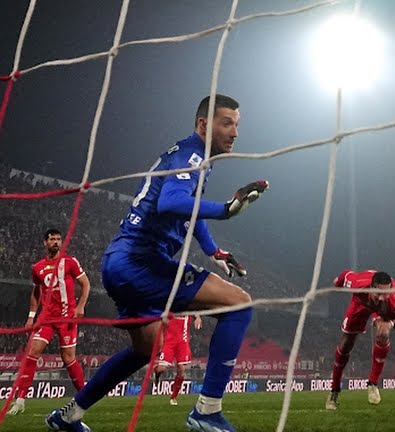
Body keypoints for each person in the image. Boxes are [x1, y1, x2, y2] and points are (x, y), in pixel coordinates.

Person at [46, 94, 269, 432]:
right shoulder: (192, 156)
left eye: (237, 124)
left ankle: (67, 416)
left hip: (119, 263)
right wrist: (225, 210)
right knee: (239, 305)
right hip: (142, 262)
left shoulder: (190, 157)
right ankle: (207, 411)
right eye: (227, 123)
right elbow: (171, 202)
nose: (235, 132)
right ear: (203, 124)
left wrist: (214, 252)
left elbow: (188, 211)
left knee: (145, 349)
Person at [9, 228, 91, 416]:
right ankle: (20, 401)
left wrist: (80, 307)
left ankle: (85, 396)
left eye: (58, 239)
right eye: (52, 239)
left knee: (68, 358)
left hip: (67, 317)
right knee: (32, 352)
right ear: (45, 243)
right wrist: (31, 316)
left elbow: (85, 284)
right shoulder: (37, 267)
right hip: (46, 319)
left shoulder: (70, 262)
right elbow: (36, 292)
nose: (56, 242)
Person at [325, 270, 395, 410]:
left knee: (383, 333)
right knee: (346, 345)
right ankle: (334, 390)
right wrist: (338, 283)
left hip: (382, 311)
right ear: (371, 288)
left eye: (386, 293)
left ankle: (372, 383)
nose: (382, 297)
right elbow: (346, 275)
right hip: (360, 304)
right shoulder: (358, 284)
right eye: (378, 293)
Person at [154, 315, 202, 406]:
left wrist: (198, 318)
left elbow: (195, 311)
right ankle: (157, 371)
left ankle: (173, 397)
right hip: (169, 343)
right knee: (162, 369)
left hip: (183, 343)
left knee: (181, 370)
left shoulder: (187, 309)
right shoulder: (171, 309)